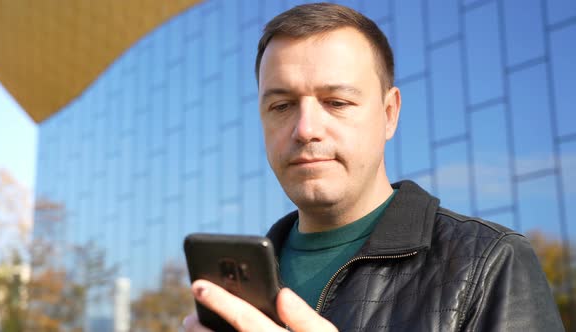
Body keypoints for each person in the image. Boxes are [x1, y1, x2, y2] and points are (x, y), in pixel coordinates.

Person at [184, 3, 563, 331]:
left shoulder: (489, 263)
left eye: (336, 102)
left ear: (389, 114)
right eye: (281, 106)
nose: (305, 130)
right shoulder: (240, 283)